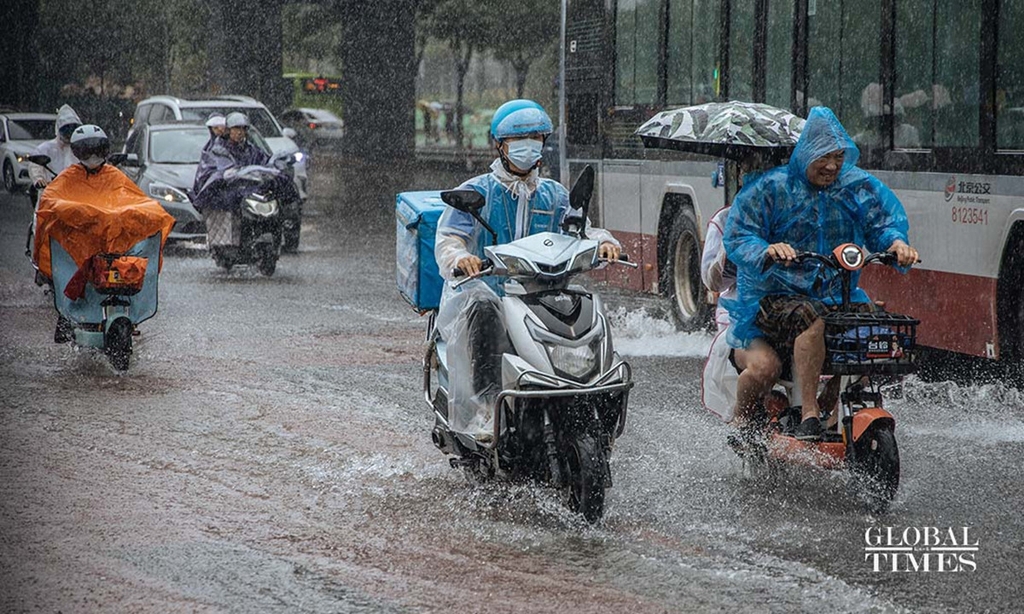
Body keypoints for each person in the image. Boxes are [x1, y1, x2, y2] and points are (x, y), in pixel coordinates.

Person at [722, 107, 918, 441]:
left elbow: (881, 221)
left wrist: (898, 243)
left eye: (839, 157)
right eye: (823, 157)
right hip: (773, 300)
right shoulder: (770, 188)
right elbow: (740, 234)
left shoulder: (855, 187)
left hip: (836, 293)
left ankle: (835, 398)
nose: (831, 166)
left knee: (871, 325)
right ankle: (807, 414)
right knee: (814, 321)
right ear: (805, 154)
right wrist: (767, 250)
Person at [434, 99, 621, 440]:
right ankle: (485, 408)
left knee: (584, 307)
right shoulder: (477, 191)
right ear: (500, 145)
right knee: (483, 309)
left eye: (536, 138)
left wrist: (603, 242)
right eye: (519, 139)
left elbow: (582, 229)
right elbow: (449, 239)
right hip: (483, 289)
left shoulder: (553, 194)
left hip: (541, 292)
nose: (528, 146)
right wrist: (461, 259)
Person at [28, 104, 83, 188]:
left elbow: (92, 164)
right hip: (52, 192)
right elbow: (35, 166)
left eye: (72, 130)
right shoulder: (46, 148)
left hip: (77, 192)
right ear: (59, 129)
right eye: (66, 130)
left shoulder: (81, 149)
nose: (69, 134)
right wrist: (39, 179)